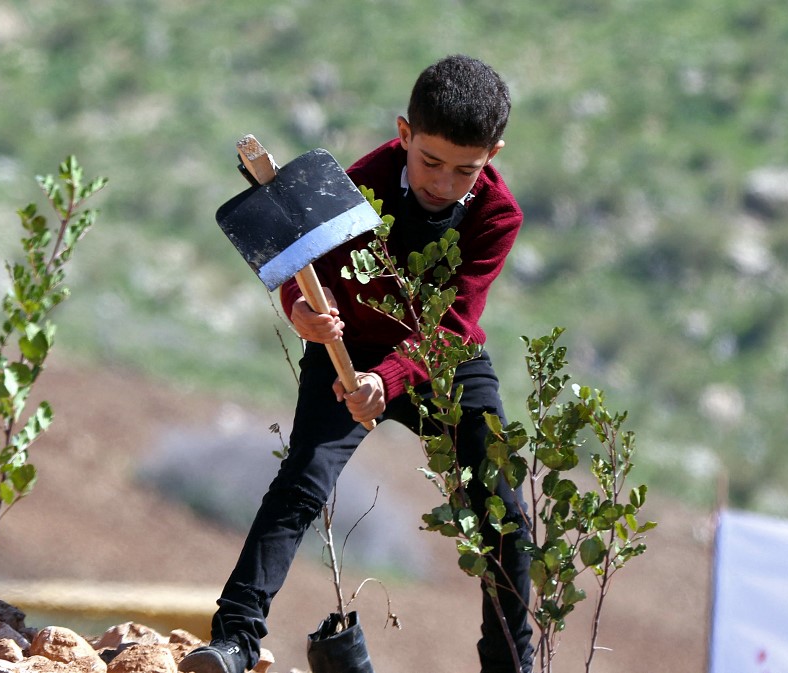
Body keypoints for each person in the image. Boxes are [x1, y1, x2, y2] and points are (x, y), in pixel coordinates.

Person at [180, 54, 533, 673]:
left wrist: (388, 379)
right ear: (404, 134)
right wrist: (301, 313)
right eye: (430, 162)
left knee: (503, 510)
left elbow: (454, 324)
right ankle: (234, 639)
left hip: (440, 358)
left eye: (465, 170)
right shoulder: (352, 186)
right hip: (347, 347)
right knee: (301, 485)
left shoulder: (497, 215)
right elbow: (301, 266)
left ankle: (511, 666)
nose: (445, 184)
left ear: (493, 153)